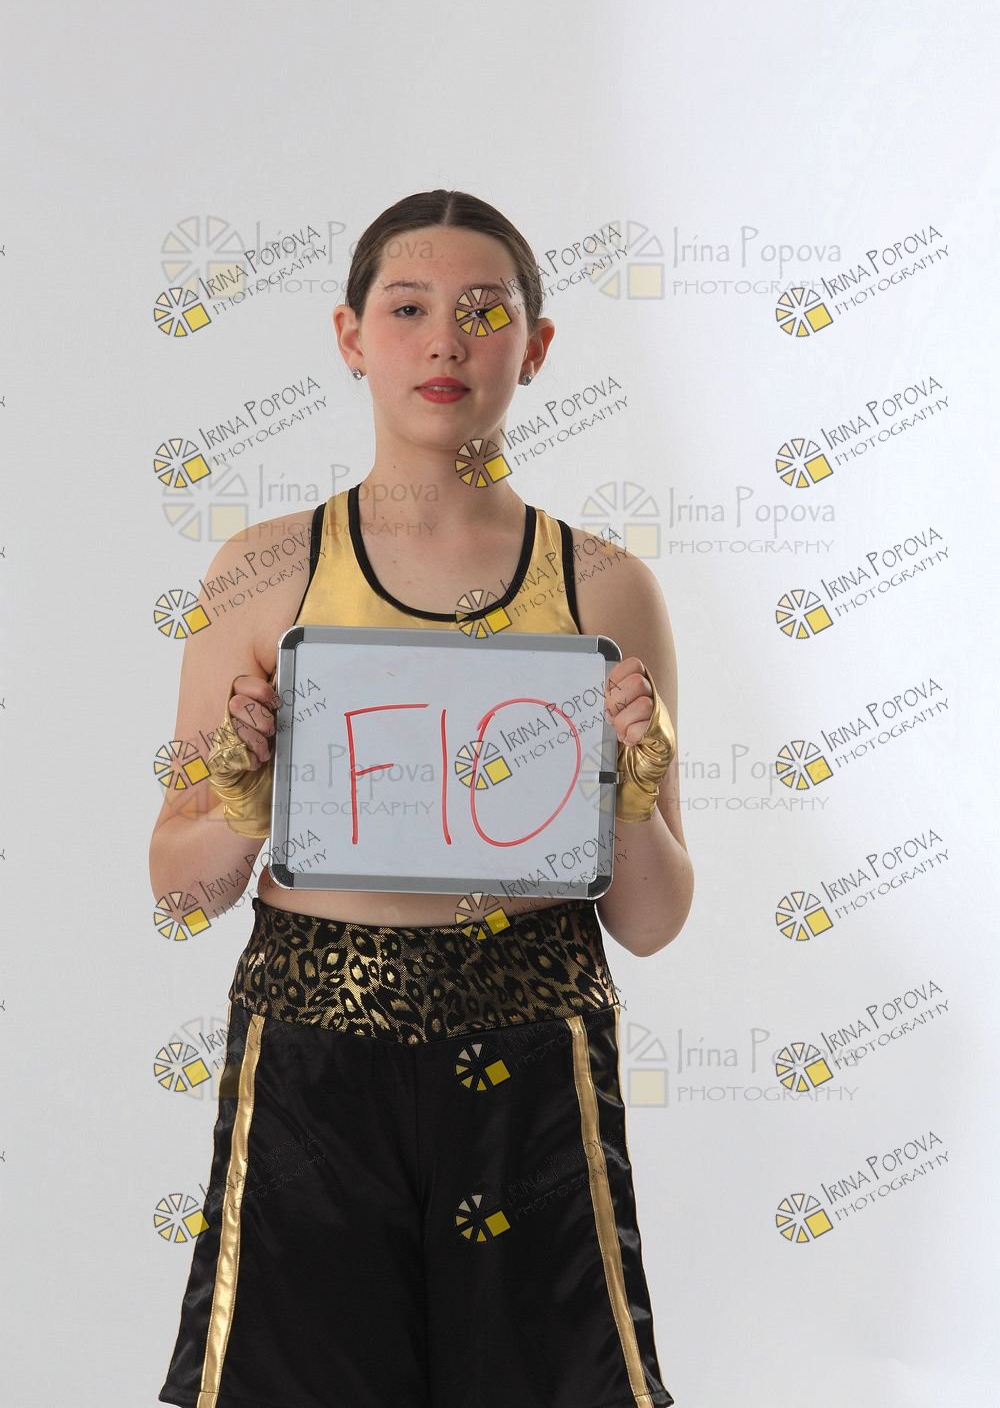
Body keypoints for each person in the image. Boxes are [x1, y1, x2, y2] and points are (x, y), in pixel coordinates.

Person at [154, 188, 694, 1408]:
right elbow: (180, 892)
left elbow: (653, 921)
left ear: (534, 347)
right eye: (407, 309)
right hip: (310, 1057)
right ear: (351, 336)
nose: (445, 340)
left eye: (483, 311)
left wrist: (634, 786)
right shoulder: (261, 570)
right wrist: (243, 797)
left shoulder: (603, 586)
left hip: (531, 1057)